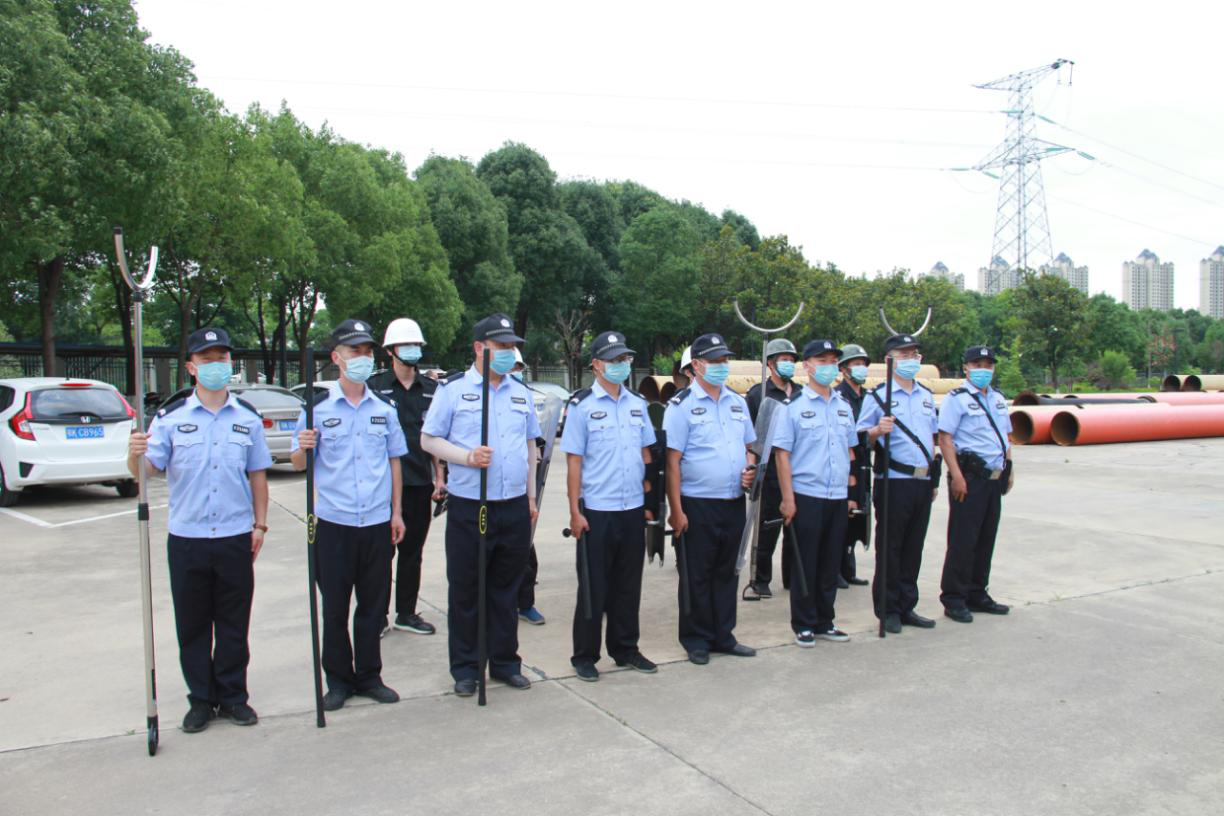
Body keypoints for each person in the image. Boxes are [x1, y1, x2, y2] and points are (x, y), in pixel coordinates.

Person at [129, 327, 271, 733]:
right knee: (192, 626)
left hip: (234, 535)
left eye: (222, 358)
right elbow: (147, 470)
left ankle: (233, 696)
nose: (216, 366)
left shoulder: (247, 419)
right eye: (207, 360)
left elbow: (258, 475)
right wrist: (133, 454)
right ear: (191, 367)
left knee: (233, 624)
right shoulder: (171, 419)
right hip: (188, 538)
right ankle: (201, 700)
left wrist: (260, 525)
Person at [421, 313, 542, 696]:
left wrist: (531, 496)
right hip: (471, 506)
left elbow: (530, 446)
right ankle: (467, 668)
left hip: (513, 506)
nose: (508, 352)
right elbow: (428, 439)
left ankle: (505, 663)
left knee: (506, 590)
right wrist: (466, 457)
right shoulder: (453, 390)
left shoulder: (520, 392)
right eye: (500, 346)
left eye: (511, 346)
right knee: (467, 591)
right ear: (479, 348)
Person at [292, 319, 407, 712]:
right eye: (355, 351)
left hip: (375, 522)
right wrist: (303, 446)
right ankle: (339, 681)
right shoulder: (316, 409)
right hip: (334, 523)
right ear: (336, 357)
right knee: (335, 608)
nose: (363, 358)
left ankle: (370, 676)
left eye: (367, 351)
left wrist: (397, 512)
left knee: (373, 607)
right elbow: (297, 462)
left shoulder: (384, 410)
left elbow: (394, 462)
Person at [561, 330, 659, 681]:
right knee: (594, 586)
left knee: (628, 584)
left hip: (631, 507)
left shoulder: (637, 404)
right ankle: (585, 655)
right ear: (597, 365)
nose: (621, 365)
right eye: (614, 360)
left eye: (625, 359)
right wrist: (575, 511)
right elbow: (574, 462)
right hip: (597, 509)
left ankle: (626, 648)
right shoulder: (582, 406)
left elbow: (646, 454)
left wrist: (648, 502)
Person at [663, 332, 758, 664]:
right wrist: (676, 510)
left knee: (726, 572)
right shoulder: (681, 406)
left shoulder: (737, 403)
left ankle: (723, 635)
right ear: (697, 365)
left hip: (733, 501)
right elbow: (672, 462)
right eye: (715, 361)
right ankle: (696, 639)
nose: (722, 366)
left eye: (725, 360)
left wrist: (749, 468)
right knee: (697, 575)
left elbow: (748, 447)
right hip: (697, 503)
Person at [774, 339, 859, 645]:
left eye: (833, 361)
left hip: (836, 495)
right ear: (807, 366)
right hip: (806, 494)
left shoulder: (843, 407)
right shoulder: (794, 407)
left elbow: (850, 451)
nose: (828, 367)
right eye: (821, 361)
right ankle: (804, 623)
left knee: (829, 562)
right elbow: (782, 455)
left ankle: (825, 620)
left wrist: (851, 493)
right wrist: (788, 498)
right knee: (806, 562)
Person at [856, 334, 940, 634]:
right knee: (890, 548)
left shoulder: (926, 395)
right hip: (893, 481)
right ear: (889, 360)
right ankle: (888, 608)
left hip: (922, 479)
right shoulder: (878, 396)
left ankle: (907, 604)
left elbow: (932, 439)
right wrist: (878, 430)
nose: (911, 360)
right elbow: (859, 438)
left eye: (914, 354)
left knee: (913, 547)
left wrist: (933, 479)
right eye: (904, 355)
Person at [368, 318, 445, 637]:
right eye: (405, 345)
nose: (412, 350)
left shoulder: (432, 389)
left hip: (419, 482)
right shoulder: (375, 387)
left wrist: (440, 476)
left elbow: (436, 436)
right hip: (382, 486)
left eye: (416, 345)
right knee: (381, 555)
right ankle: (377, 615)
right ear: (390, 351)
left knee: (412, 552)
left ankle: (406, 613)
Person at [938, 345, 1014, 622]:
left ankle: (977, 593)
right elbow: (945, 439)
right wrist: (956, 475)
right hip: (969, 477)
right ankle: (954, 598)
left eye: (988, 365)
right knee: (963, 540)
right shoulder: (956, 399)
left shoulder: (998, 398)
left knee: (985, 538)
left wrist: (1009, 468)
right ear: (966, 368)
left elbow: (1005, 436)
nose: (984, 370)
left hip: (994, 477)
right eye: (977, 365)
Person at [743, 338, 798, 598]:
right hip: (769, 472)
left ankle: (792, 577)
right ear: (771, 363)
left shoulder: (800, 394)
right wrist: (751, 469)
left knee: (795, 528)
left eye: (792, 360)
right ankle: (761, 579)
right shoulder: (758, 394)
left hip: (796, 470)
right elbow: (750, 438)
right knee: (767, 528)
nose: (789, 364)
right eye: (784, 360)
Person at [510, 346, 546, 626]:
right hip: (489, 494)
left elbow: (535, 441)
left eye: (518, 368)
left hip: (522, 490)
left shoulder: (523, 398)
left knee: (524, 552)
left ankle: (525, 603)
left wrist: (532, 498)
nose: (515, 372)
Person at [835, 344, 873, 589]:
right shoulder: (839, 396)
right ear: (844, 369)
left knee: (859, 516)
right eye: (856, 364)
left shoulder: (868, 396)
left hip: (864, 463)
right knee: (843, 515)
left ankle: (849, 569)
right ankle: (835, 569)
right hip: (848, 460)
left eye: (863, 364)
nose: (861, 369)